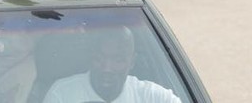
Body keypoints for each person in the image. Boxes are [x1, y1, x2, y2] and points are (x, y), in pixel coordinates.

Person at [43, 27, 182, 103]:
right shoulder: (62, 94)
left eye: (118, 60)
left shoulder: (152, 97)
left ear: (132, 62)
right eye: (99, 58)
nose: (107, 68)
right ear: (90, 57)